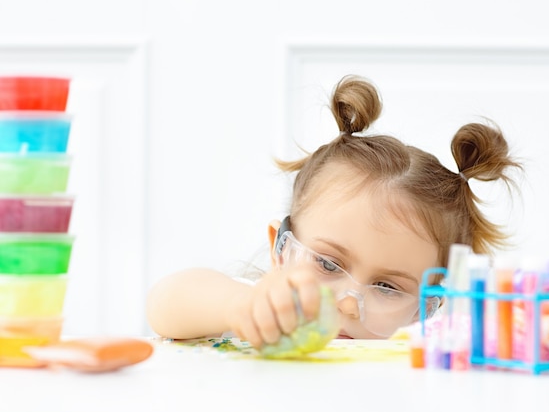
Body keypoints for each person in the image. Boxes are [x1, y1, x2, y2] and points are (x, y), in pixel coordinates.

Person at [146, 75, 522, 348]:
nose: (347, 303)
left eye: (388, 287)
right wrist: (238, 306)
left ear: (427, 307)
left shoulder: (408, 355)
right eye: (327, 264)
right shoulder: (258, 312)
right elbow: (165, 303)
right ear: (281, 249)